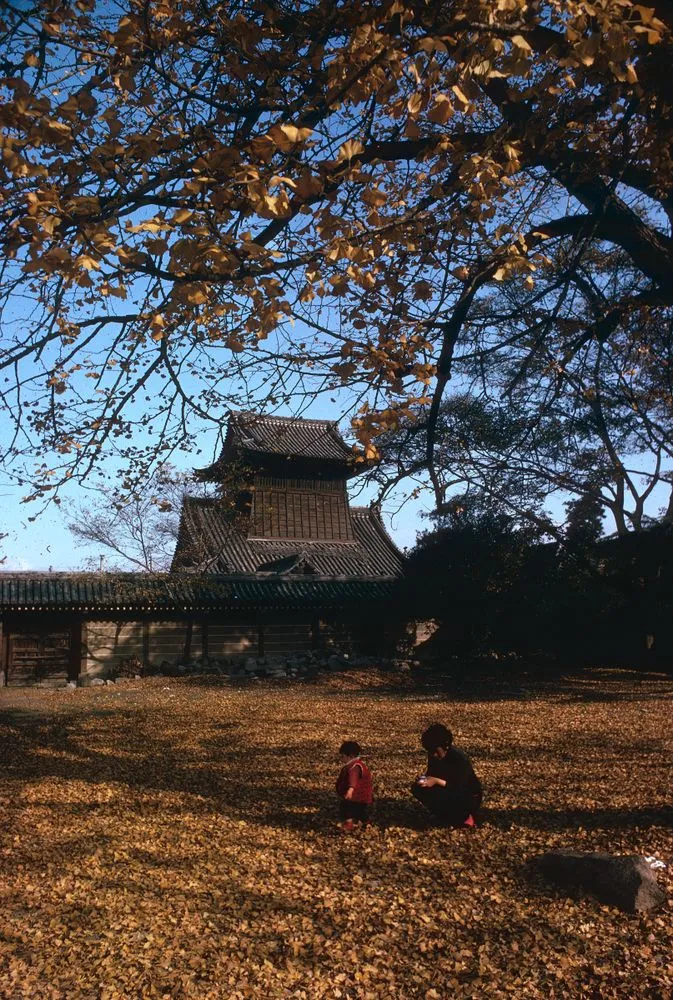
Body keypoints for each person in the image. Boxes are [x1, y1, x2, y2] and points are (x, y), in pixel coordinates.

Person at [411, 723, 482, 828]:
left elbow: (461, 786)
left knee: (454, 796)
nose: (434, 754)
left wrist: (436, 781)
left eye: (436, 751)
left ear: (445, 746)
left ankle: (466, 816)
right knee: (418, 788)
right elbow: (431, 774)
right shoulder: (433, 757)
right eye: (430, 751)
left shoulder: (459, 758)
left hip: (468, 796)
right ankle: (445, 816)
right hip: (447, 790)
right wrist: (424, 780)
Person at [335, 740, 373, 832]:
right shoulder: (353, 765)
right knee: (359, 811)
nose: (341, 758)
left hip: (357, 796)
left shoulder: (354, 767)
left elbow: (353, 779)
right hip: (360, 796)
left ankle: (349, 823)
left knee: (346, 808)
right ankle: (365, 822)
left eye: (343, 756)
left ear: (350, 756)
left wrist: (350, 789)